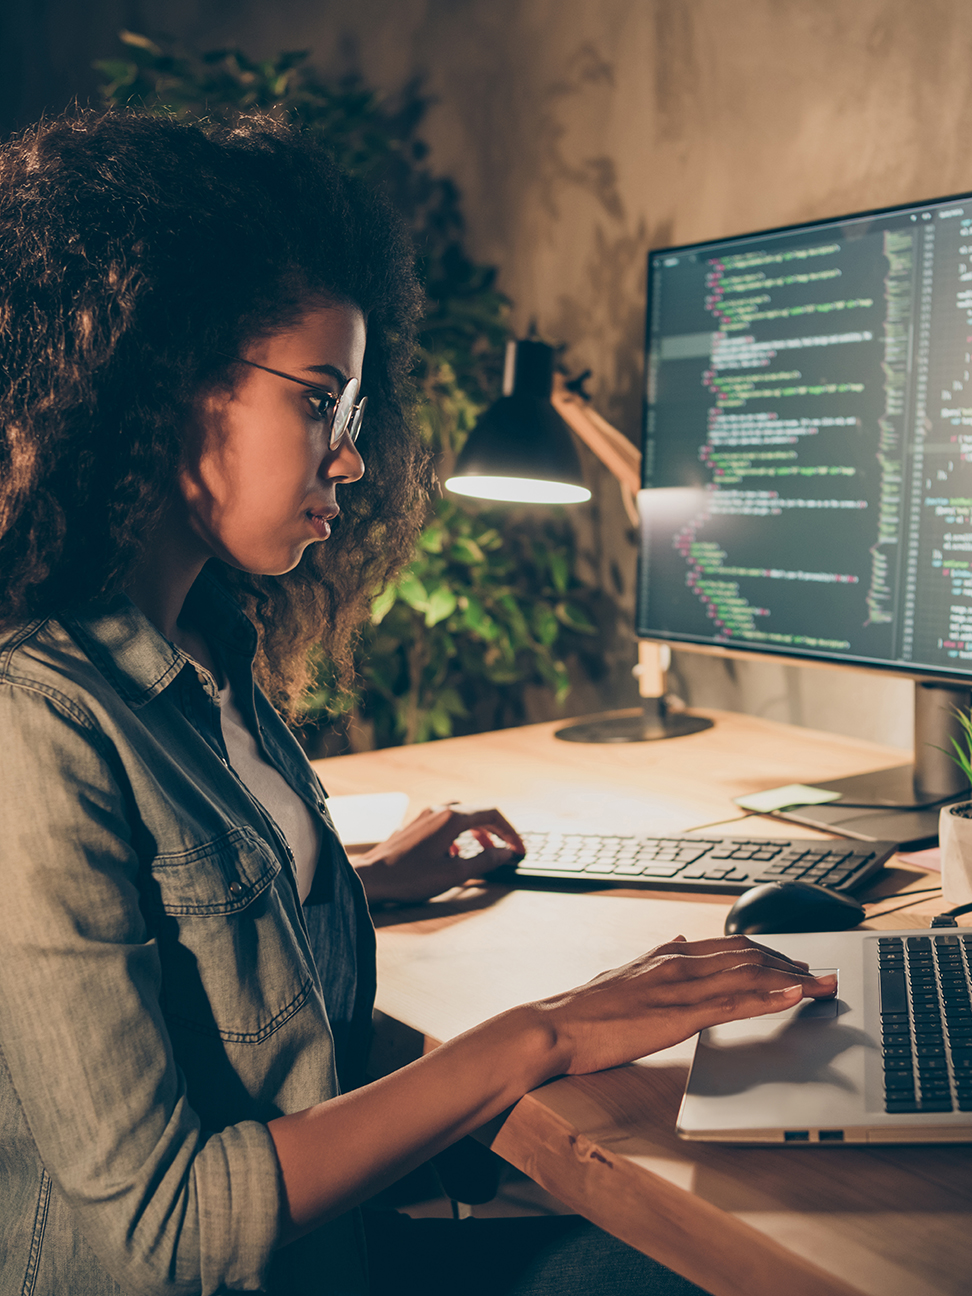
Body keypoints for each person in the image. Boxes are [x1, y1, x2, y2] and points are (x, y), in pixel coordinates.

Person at [0, 110, 837, 1296]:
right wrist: (544, 1030)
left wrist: (360, 882)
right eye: (319, 399)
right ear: (162, 380)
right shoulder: (35, 724)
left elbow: (193, 938)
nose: (350, 455)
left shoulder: (206, 651)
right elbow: (161, 1232)